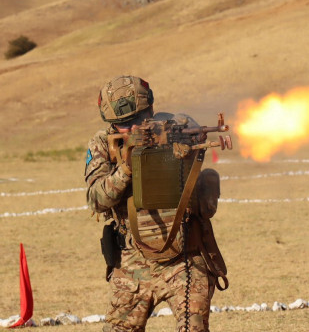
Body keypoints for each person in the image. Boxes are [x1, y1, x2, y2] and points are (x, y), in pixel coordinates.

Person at [84, 75, 227, 332]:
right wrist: (126, 168)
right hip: (132, 263)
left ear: (150, 109)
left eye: (139, 119)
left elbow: (198, 146)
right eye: (124, 125)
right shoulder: (102, 145)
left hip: (184, 258)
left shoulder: (176, 126)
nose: (134, 128)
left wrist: (185, 150)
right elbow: (96, 200)